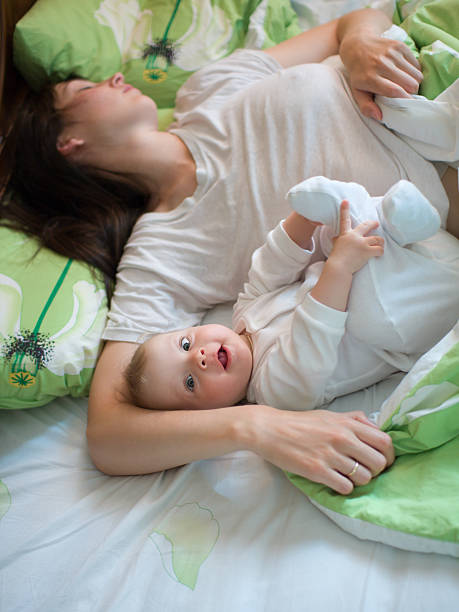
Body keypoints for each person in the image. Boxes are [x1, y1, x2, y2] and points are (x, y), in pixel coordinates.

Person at [3, 8, 459, 495]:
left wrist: (358, 45)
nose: (115, 75)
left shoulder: (205, 89)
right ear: (67, 143)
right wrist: (258, 428)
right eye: (84, 88)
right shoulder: (161, 251)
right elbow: (109, 436)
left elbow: (351, 21)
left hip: (426, 95)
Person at [123, 177, 459, 417]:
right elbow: (316, 330)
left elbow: (270, 267)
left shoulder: (243, 315)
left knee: (331, 235)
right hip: (415, 317)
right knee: (368, 316)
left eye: (185, 344)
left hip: (414, 263)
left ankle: (392, 217)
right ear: (210, 413)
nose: (198, 357)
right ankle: (387, 218)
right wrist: (339, 266)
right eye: (190, 382)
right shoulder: (276, 394)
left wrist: (304, 220)